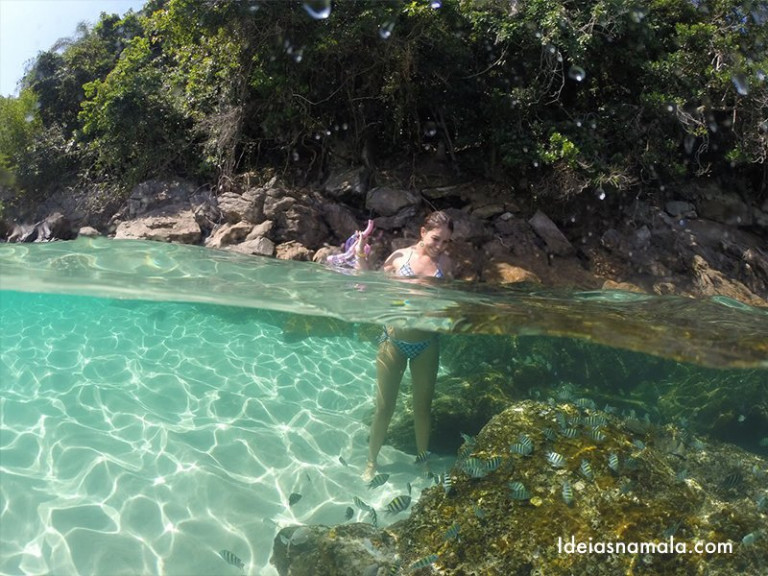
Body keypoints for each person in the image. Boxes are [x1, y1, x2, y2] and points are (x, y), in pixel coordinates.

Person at [352, 211, 454, 481]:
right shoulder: (400, 257)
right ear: (422, 232)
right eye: (436, 238)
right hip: (393, 342)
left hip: (427, 344)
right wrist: (361, 253)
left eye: (446, 241)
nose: (440, 246)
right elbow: (369, 285)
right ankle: (371, 462)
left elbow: (446, 304)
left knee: (423, 408)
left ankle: (423, 461)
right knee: (384, 407)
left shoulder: (446, 264)